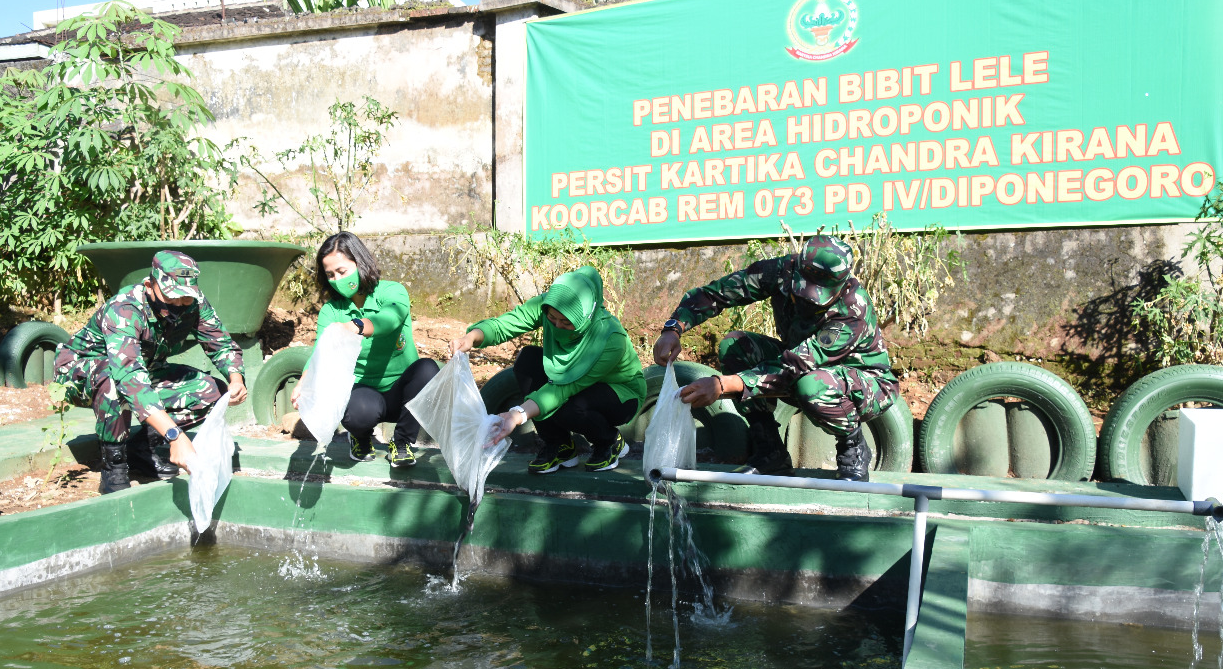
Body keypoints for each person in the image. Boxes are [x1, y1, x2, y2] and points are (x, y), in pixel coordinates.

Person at [653, 232, 899, 482]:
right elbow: (716, 294)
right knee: (735, 346)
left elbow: (794, 366)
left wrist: (722, 385)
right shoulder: (781, 271)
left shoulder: (853, 308)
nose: (807, 299)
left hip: (865, 384)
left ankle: (853, 448)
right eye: (802, 290)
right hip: (801, 372)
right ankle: (770, 452)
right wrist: (673, 329)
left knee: (812, 384)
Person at [52, 250, 248, 494]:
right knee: (114, 381)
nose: (178, 304)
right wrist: (175, 436)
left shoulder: (194, 303)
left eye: (184, 298)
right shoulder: (125, 309)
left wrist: (235, 378)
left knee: (212, 392)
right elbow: (128, 376)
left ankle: (140, 448)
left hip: (145, 369)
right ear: (149, 285)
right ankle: (114, 465)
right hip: (81, 373)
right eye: (171, 297)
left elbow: (220, 342)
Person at [451, 265, 646, 474]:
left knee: (569, 406)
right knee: (528, 360)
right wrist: (473, 336)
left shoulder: (609, 338)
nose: (557, 327)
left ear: (586, 317)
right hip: (569, 383)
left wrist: (517, 415)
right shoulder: (550, 305)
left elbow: (564, 389)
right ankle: (559, 445)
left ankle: (608, 441)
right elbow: (507, 323)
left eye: (566, 322)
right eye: (552, 319)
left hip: (619, 393)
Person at [289, 231, 438, 467]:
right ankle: (359, 438)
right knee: (356, 411)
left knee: (428, 369)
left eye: (342, 271)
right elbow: (320, 351)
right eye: (330, 275)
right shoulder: (332, 311)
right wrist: (303, 383)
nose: (336, 279)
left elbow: (389, 320)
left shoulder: (392, 291)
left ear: (360, 263)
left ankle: (401, 443)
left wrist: (356, 326)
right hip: (364, 394)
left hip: (402, 392)